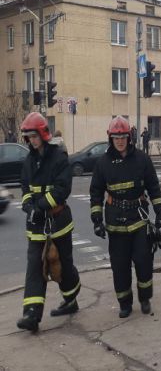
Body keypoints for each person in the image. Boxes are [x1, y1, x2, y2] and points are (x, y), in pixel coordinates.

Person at [89, 116, 161, 318]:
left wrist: (160, 211)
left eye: (123, 137)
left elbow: (153, 186)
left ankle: (145, 298)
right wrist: (97, 220)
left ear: (129, 137)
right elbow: (96, 192)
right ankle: (125, 303)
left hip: (139, 218)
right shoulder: (103, 163)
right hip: (115, 222)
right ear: (110, 138)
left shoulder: (142, 159)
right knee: (120, 266)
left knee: (143, 261)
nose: (120, 140)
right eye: (116, 137)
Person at [17, 112, 81, 332]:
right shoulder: (29, 160)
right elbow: (25, 188)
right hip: (36, 224)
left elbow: (62, 189)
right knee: (35, 266)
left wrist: (40, 206)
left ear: (43, 134)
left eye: (34, 136)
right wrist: (28, 207)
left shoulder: (59, 158)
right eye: (28, 137)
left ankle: (71, 298)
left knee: (62, 265)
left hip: (58, 220)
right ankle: (32, 314)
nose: (32, 141)